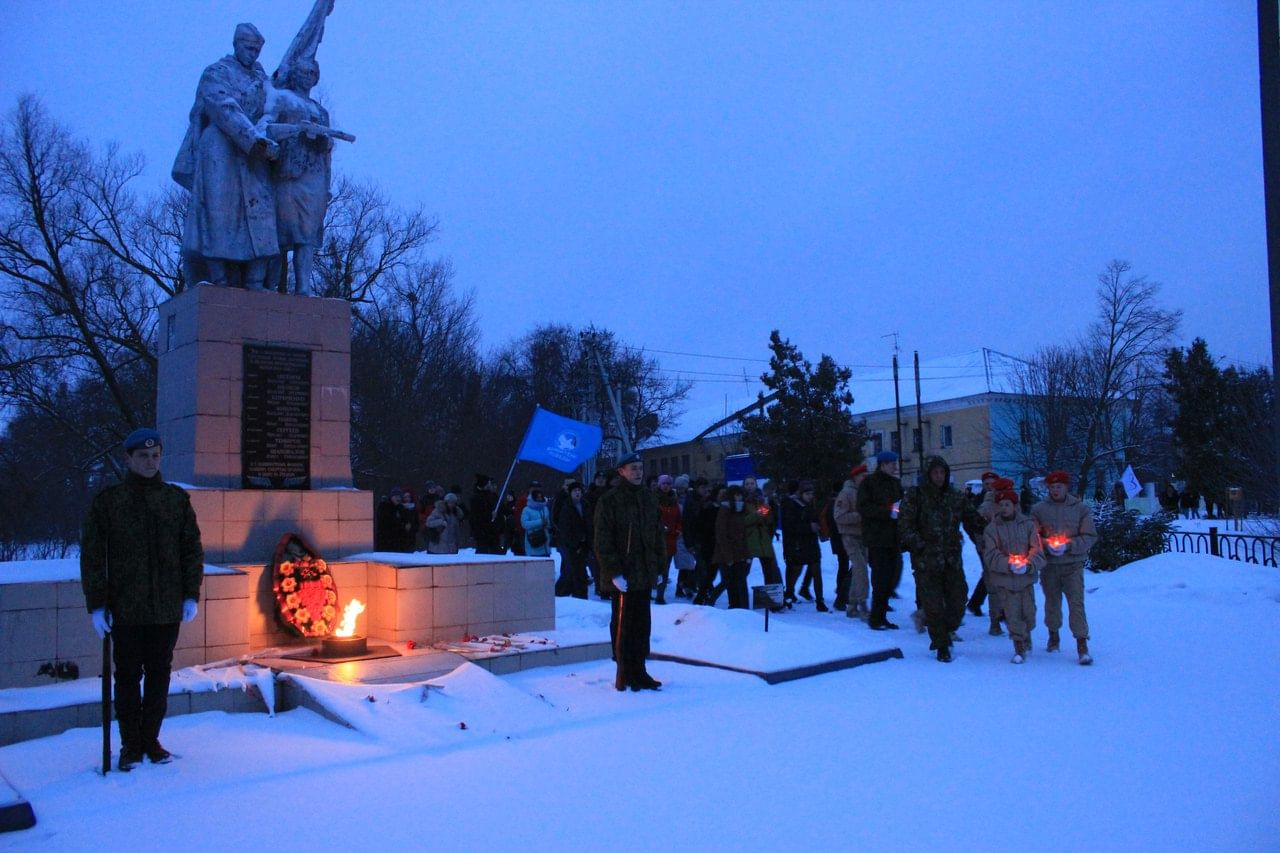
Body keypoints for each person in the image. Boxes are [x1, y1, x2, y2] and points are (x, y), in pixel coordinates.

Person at [80, 428, 204, 771]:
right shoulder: (110, 502)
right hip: (127, 609)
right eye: (143, 456)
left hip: (166, 609)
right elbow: (92, 556)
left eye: (156, 456)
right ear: (129, 459)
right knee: (128, 677)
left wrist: (190, 594)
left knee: (159, 676)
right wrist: (98, 603)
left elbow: (191, 551)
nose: (150, 462)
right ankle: (130, 746)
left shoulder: (175, 500)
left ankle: (151, 739)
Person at [172, 23, 280, 290]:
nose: (253, 54)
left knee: (261, 213)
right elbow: (222, 106)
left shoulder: (262, 79)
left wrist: (265, 131)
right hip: (221, 148)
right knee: (219, 214)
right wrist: (252, 138)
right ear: (236, 44)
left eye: (257, 49)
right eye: (249, 47)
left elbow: (272, 108)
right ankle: (219, 278)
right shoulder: (216, 72)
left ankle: (255, 279)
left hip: (256, 151)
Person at [898, 455, 986, 662]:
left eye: (942, 472)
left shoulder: (955, 497)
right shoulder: (915, 496)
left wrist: (991, 528)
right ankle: (942, 645)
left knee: (958, 600)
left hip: (951, 559)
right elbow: (904, 526)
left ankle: (946, 631)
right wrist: (919, 544)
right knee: (934, 605)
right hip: (926, 561)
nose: (939, 476)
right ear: (928, 475)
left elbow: (973, 519)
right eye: (935, 473)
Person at [594, 452, 665, 692]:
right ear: (621, 471)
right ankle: (624, 669)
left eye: (640, 468)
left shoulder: (649, 498)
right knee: (624, 623)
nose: (637, 472)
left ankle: (640, 670)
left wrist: (659, 567)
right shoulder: (610, 500)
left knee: (642, 623)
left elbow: (657, 536)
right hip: (623, 574)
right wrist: (614, 572)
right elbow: (603, 540)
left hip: (643, 571)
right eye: (632, 468)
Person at [266, 57, 333, 294]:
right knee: (279, 232)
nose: (308, 76)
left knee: (307, 235)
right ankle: (270, 284)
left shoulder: (321, 112)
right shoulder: (281, 99)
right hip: (286, 175)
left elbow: (327, 155)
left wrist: (327, 184)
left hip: (314, 177)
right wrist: (296, 131)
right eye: (303, 71)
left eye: (312, 72)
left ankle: (303, 286)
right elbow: (266, 129)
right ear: (294, 74)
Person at [1031, 470, 1098, 665]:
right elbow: (1032, 535)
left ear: (1066, 487)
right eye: (1052, 487)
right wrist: (1045, 544)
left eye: (1059, 486)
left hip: (1072, 565)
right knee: (1052, 602)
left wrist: (1068, 545)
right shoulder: (1039, 509)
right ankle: (1053, 635)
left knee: (1076, 603)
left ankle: (1081, 642)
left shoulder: (1080, 509)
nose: (1055, 490)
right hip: (1050, 565)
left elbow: (1089, 536)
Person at [982, 487, 1044, 664]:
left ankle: (1027, 634)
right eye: (1001, 505)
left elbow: (1036, 549)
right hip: (1006, 580)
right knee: (1013, 614)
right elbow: (990, 554)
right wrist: (1008, 564)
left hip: (1025, 579)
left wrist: (1029, 564)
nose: (1004, 508)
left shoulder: (1028, 525)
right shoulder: (992, 529)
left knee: (1029, 614)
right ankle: (1018, 645)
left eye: (1007, 504)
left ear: (1015, 506)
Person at [858, 451, 905, 630]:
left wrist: (899, 514)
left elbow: (901, 505)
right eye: (892, 463)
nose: (895, 466)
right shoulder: (869, 483)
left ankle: (882, 616)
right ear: (883, 464)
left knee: (891, 577)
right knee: (881, 578)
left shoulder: (895, 483)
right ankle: (876, 618)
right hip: (877, 537)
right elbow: (863, 507)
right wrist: (887, 512)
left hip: (893, 537)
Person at [783, 481, 827, 611]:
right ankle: (789, 595)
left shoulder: (810, 505)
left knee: (816, 571)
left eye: (811, 494)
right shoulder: (792, 505)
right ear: (801, 493)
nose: (810, 496)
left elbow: (815, 520)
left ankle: (820, 601)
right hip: (798, 545)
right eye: (807, 494)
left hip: (811, 543)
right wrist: (809, 527)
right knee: (795, 571)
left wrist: (820, 530)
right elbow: (789, 526)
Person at [834, 465, 870, 619]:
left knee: (858, 571)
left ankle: (852, 605)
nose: (865, 478)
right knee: (861, 569)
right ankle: (861, 603)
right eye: (863, 476)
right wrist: (860, 516)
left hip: (863, 536)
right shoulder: (846, 493)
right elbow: (839, 516)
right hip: (850, 536)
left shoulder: (865, 492)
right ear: (855, 477)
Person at [965, 471, 1000, 618]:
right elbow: (969, 523)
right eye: (986, 484)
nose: (989, 486)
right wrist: (977, 540)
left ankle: (976, 603)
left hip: (1001, 542)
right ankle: (982, 605)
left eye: (992, 483)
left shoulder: (1003, 499)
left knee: (993, 573)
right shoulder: (978, 502)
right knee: (991, 572)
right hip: (984, 543)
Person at [711, 485, 751, 608]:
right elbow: (721, 534)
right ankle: (712, 600)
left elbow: (750, 529)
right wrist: (728, 557)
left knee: (739, 581)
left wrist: (748, 553)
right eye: (736, 495)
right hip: (727, 553)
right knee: (729, 581)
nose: (739, 498)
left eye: (740, 495)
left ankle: (743, 608)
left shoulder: (745, 509)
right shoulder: (725, 509)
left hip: (742, 552)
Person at [742, 476, 783, 586]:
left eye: (752, 484)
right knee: (743, 571)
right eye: (747, 484)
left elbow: (768, 520)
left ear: (756, 485)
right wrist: (757, 515)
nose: (750, 486)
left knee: (770, 570)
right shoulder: (741, 501)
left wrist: (767, 510)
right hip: (749, 539)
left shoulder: (761, 500)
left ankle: (775, 596)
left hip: (763, 539)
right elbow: (742, 521)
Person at [554, 481, 592, 599]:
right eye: (575, 491)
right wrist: (576, 543)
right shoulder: (567, 507)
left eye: (579, 491)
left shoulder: (585, 505)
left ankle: (579, 593)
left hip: (585, 543)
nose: (577, 493)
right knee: (574, 571)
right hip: (572, 545)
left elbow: (590, 524)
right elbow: (565, 529)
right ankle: (574, 594)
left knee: (580, 570)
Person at [654, 474, 682, 604]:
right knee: (655, 568)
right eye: (664, 483)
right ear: (659, 485)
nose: (666, 486)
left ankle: (660, 595)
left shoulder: (674, 500)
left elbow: (678, 519)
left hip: (670, 540)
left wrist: (677, 530)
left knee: (664, 569)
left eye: (668, 484)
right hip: (655, 540)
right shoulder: (654, 499)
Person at [469, 475, 504, 554]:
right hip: (483, 532)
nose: (490, 485)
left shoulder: (490, 496)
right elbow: (476, 517)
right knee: (483, 551)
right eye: (488, 483)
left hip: (492, 531)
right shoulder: (476, 498)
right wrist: (490, 516)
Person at [521, 487, 552, 558]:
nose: (539, 498)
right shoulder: (527, 509)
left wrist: (548, 525)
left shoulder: (545, 508)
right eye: (537, 497)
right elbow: (524, 524)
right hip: (533, 544)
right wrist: (540, 522)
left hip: (545, 544)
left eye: (541, 496)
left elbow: (548, 522)